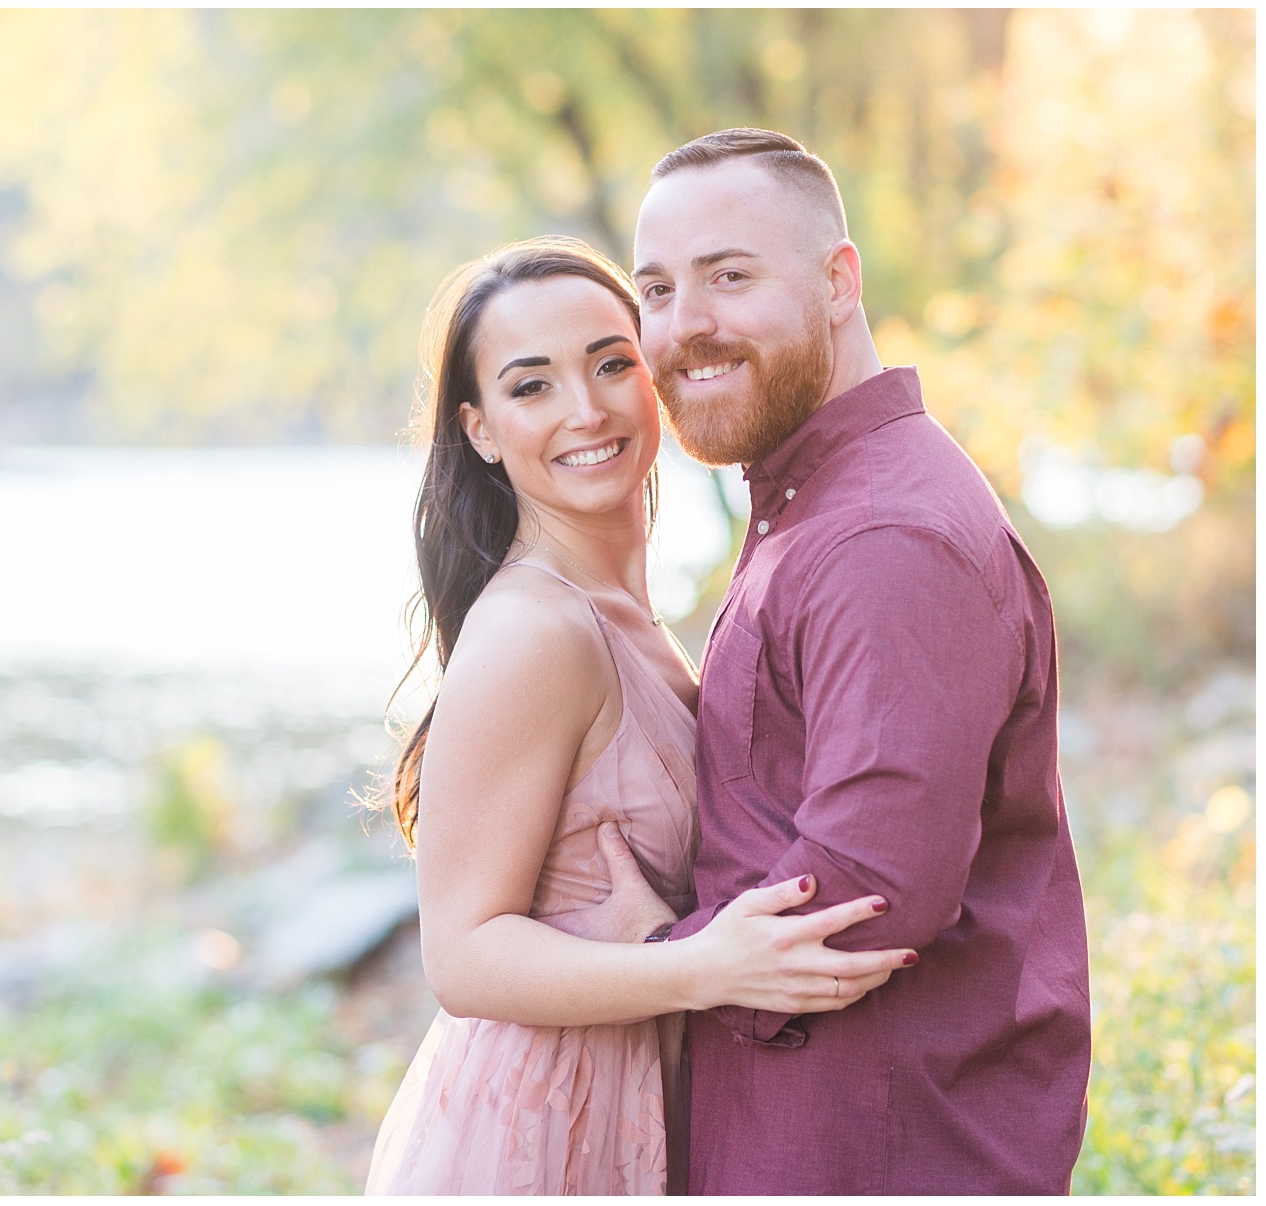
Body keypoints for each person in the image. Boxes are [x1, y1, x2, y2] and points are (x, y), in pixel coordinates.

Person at [362, 236, 917, 1196]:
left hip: (631, 1105)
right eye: (531, 387)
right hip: (542, 1130)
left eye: (612, 363)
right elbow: (461, 955)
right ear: (481, 427)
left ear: (655, 375)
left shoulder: (627, 618)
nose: (586, 410)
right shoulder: (535, 631)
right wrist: (703, 968)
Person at [627, 128, 1093, 1194]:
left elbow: (864, 895)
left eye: (729, 276)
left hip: (872, 1148)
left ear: (839, 281)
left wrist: (623, 976)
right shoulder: (811, 502)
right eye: (656, 289)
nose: (684, 324)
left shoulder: (883, 538)